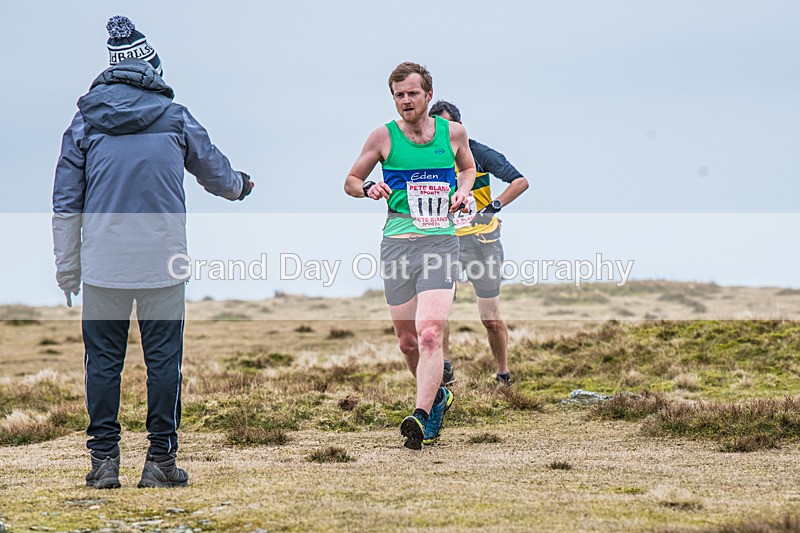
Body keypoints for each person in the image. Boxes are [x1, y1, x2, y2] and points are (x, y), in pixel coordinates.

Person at [52, 16, 254, 489]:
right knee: (165, 362)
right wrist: (241, 186)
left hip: (102, 266)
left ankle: (104, 463)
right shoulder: (175, 116)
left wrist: (67, 271)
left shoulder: (84, 122)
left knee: (103, 363)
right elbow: (219, 175)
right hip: (164, 262)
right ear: (149, 66)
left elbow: (66, 204)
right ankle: (160, 461)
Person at [344, 62, 476, 450]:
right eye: (399, 95)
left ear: (428, 95)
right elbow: (350, 181)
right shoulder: (382, 137)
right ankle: (438, 398)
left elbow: (467, 169)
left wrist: (463, 190)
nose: (405, 101)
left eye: (412, 93)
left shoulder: (453, 133)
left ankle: (420, 415)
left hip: (439, 242)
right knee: (407, 342)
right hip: (398, 244)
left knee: (431, 333)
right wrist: (367, 188)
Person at [429, 101, 529, 386]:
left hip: (483, 242)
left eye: (448, 128)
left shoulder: (478, 152)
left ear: (460, 127)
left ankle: (503, 374)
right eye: (437, 128)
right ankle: (444, 371)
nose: (442, 133)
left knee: (490, 318)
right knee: (439, 309)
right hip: (444, 241)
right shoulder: (430, 156)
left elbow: (520, 181)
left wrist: (492, 207)